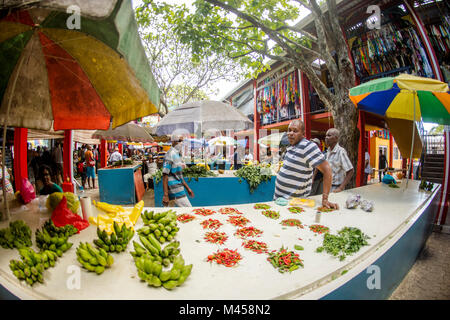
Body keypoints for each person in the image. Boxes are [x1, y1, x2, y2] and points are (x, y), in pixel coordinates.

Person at [273, 120, 338, 209]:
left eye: (295, 131)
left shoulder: (308, 146)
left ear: (303, 134)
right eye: (289, 130)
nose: (290, 133)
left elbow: (327, 170)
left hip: (294, 204)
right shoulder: (291, 146)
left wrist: (325, 199)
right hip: (280, 200)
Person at [162, 135, 194, 207]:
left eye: (182, 141)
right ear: (173, 141)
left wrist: (188, 188)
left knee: (169, 213)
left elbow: (179, 175)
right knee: (189, 210)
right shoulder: (169, 154)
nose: (181, 143)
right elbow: (165, 175)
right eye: (179, 141)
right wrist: (165, 195)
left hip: (178, 187)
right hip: (175, 189)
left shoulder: (177, 155)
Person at [324, 128, 354, 192]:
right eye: (326, 135)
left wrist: (341, 187)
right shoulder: (328, 151)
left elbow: (350, 170)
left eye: (329, 135)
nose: (326, 138)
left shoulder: (341, 152)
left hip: (336, 187)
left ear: (336, 138)